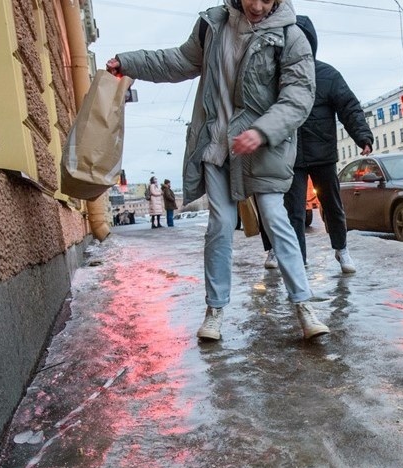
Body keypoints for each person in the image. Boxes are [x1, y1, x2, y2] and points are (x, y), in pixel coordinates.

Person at [106, 0, 329, 341]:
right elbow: (178, 61)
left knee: (274, 217)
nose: (258, 6)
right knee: (221, 224)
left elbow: (298, 96)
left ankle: (303, 305)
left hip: (263, 146)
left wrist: (263, 131)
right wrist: (129, 62)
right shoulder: (213, 26)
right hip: (217, 143)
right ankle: (215, 310)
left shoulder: (291, 36)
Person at [260, 15, 373, 273]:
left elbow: (349, 107)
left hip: (323, 153)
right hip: (290, 156)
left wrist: (362, 136)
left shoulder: (327, 75)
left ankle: (342, 250)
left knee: (332, 205)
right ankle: (298, 263)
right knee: (293, 212)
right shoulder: (275, 76)